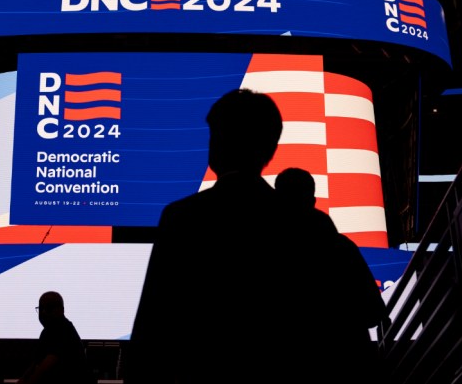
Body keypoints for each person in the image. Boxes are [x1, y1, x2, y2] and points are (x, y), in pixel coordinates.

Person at [127, 88, 326, 384]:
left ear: (218, 142)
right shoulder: (308, 224)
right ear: (270, 149)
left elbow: (154, 324)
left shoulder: (182, 218)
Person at [275, 166, 389, 383]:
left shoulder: (261, 250)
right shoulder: (342, 247)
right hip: (348, 357)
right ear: (312, 199)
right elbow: (373, 311)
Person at [18, 291, 95, 384]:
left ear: (61, 310)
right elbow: (36, 364)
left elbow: (44, 368)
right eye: (41, 308)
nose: (43, 312)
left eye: (49, 308)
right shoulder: (49, 331)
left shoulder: (63, 330)